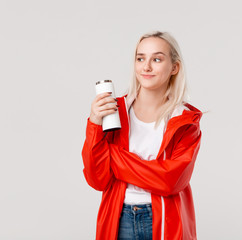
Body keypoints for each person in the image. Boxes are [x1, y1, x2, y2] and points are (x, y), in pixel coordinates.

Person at [82, 31, 203, 240]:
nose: (146, 67)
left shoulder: (185, 121)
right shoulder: (114, 112)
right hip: (120, 219)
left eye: (156, 59)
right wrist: (94, 122)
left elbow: (169, 181)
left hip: (164, 219)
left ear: (175, 68)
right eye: (140, 58)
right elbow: (97, 179)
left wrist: (113, 156)